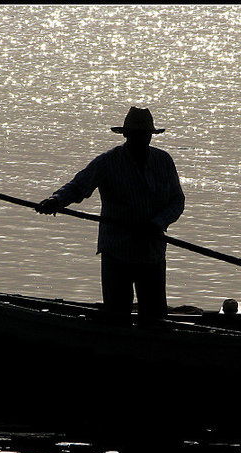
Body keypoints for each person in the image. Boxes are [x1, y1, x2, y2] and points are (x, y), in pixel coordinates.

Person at [35, 107, 185, 325]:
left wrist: (158, 223)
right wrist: (56, 201)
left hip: (151, 254)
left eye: (145, 134)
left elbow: (177, 201)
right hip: (117, 252)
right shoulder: (108, 162)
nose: (141, 139)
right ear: (125, 135)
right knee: (116, 317)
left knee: (155, 319)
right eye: (135, 134)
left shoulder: (164, 161)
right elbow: (78, 187)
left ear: (151, 136)